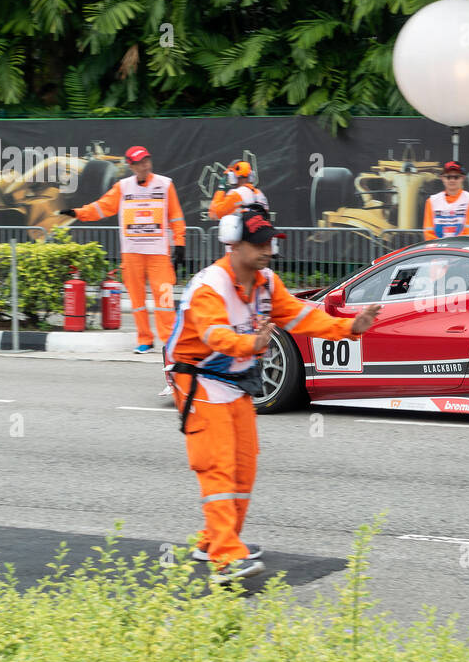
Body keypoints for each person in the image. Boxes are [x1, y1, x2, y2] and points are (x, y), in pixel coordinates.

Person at [163, 207, 381, 583]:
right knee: (217, 466)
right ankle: (225, 558)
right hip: (197, 379)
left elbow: (299, 316)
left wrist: (349, 327)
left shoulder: (266, 281)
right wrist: (252, 342)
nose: (268, 248)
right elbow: (213, 335)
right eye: (259, 242)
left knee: (244, 464)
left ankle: (216, 538)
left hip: (236, 380)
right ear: (233, 242)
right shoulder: (209, 286)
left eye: (270, 241)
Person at [63, 146, 187, 354]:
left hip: (158, 253)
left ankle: (170, 341)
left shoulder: (165, 185)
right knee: (137, 300)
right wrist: (79, 213)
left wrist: (180, 242)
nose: (145, 165)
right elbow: (102, 207)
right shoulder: (123, 187)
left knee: (164, 298)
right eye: (139, 162)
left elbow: (175, 216)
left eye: (147, 160)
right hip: (131, 253)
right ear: (131, 166)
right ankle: (144, 339)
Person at [422, 160, 469, 239]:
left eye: (456, 177)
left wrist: (453, 247)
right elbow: (428, 233)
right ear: (442, 178)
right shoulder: (431, 201)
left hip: (463, 248)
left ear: (463, 178)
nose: (452, 180)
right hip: (438, 249)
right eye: (448, 177)